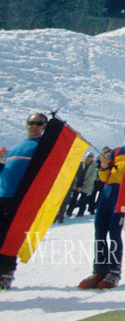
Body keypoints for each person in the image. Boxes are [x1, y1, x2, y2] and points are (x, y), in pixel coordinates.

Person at [78, 116, 125, 290]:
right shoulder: (117, 150)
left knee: (114, 232)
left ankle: (114, 271)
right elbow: (104, 177)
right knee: (99, 231)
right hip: (108, 192)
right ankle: (99, 270)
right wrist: (104, 166)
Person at [0, 113, 48, 290]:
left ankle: (5, 273)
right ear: (26, 124)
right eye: (32, 122)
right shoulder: (14, 148)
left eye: (39, 123)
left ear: (44, 126)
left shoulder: (42, 147)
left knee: (10, 237)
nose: (35, 125)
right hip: (2, 195)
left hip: (20, 198)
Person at [68, 152, 99, 217]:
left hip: (87, 184)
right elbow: (77, 173)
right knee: (74, 197)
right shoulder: (82, 163)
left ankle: (81, 212)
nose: (89, 158)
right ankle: (69, 211)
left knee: (83, 199)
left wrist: (87, 181)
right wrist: (78, 182)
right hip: (79, 183)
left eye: (91, 157)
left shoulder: (94, 165)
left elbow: (93, 176)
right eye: (88, 156)